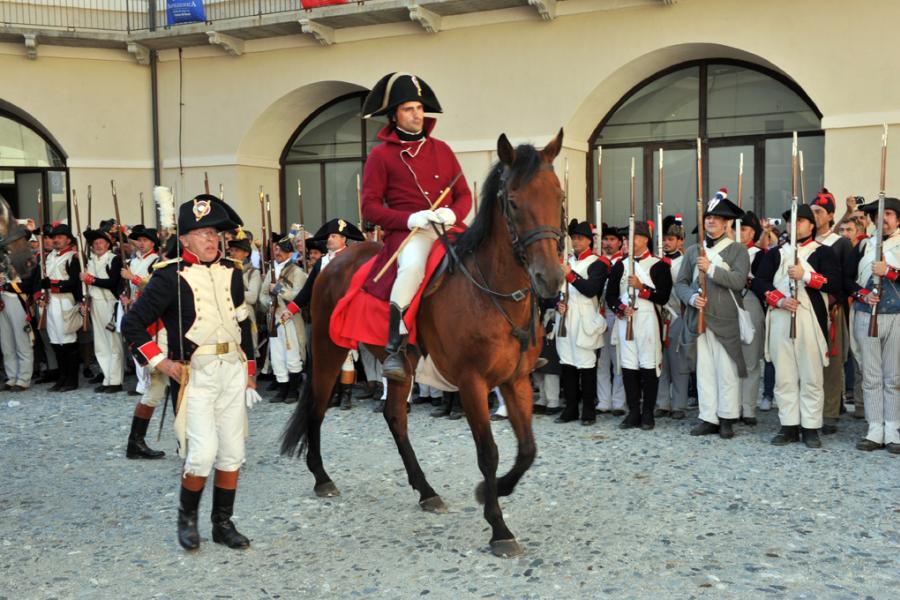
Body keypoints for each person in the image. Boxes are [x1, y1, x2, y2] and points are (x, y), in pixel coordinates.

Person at [121, 194, 259, 551]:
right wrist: (162, 363)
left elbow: (242, 322)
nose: (211, 240)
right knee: (201, 454)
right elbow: (134, 324)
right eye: (202, 233)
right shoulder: (168, 276)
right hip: (195, 373)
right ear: (184, 239)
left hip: (232, 370)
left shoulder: (233, 271)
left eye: (215, 233)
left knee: (231, 452)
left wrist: (251, 371)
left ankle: (222, 524)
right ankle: (187, 522)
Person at [359, 72, 472, 380]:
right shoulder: (380, 156)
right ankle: (396, 347)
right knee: (411, 268)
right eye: (409, 109)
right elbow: (369, 207)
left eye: (420, 108)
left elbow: (464, 195)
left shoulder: (443, 149)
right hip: (410, 233)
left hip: (447, 227)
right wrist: (409, 218)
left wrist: (452, 214)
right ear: (394, 116)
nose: (417, 114)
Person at [753, 204, 840, 448]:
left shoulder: (823, 253)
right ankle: (788, 425)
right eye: (791, 221)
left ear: (811, 225)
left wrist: (806, 275)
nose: (795, 225)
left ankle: (811, 426)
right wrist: (778, 299)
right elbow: (759, 282)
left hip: (810, 318)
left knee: (811, 375)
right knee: (785, 376)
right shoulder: (774, 254)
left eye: (800, 221)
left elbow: (834, 283)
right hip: (781, 316)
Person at [674, 189, 750, 440]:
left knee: (726, 370)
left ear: (727, 223)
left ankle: (727, 417)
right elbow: (682, 283)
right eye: (708, 216)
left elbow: (739, 281)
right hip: (700, 318)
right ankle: (708, 417)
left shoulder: (738, 250)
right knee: (704, 370)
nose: (711, 221)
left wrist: (712, 269)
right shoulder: (693, 250)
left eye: (717, 218)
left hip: (725, 319)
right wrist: (692, 298)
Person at [281, 218, 364, 409]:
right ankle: (333, 393)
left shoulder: (353, 260)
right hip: (325, 317)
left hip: (346, 315)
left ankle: (346, 396)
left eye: (334, 236)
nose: (330, 239)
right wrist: (291, 309)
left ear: (344, 239)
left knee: (347, 357)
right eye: (329, 236)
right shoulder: (322, 262)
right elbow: (308, 290)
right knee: (328, 357)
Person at [606, 220, 672, 430]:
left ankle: (648, 413)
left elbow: (663, 296)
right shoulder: (620, 265)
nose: (629, 241)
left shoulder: (659, 266)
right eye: (627, 238)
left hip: (648, 321)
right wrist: (619, 309)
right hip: (627, 320)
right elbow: (611, 296)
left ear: (645, 239)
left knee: (648, 366)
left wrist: (642, 288)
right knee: (628, 367)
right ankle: (633, 411)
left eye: (633, 237)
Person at [847, 197, 900, 453]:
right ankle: (874, 428)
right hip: (866, 314)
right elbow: (847, 281)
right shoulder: (863, 246)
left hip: (897, 316)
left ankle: (893, 428)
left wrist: (889, 271)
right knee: (870, 376)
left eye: (889, 214)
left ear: (897, 219)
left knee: (894, 377)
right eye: (880, 214)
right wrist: (862, 295)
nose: (884, 219)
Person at [809, 189, 855, 435]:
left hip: (831, 308)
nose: (814, 216)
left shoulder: (841, 243)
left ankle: (829, 413)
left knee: (832, 362)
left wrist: (832, 301)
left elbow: (847, 278)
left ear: (829, 216)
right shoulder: (803, 241)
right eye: (812, 211)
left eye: (818, 212)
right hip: (806, 308)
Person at [119, 224, 167, 459]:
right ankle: (135, 442)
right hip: (162, 334)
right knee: (155, 391)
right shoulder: (162, 271)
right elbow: (149, 289)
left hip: (179, 337)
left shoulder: (158, 263)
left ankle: (188, 442)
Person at [554, 220, 609, 426]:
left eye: (580, 238)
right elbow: (555, 289)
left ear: (589, 241)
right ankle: (570, 408)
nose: (576, 241)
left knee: (586, 366)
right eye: (574, 238)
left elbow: (590, 289)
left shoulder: (598, 263)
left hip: (586, 316)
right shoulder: (566, 261)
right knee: (567, 364)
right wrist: (558, 302)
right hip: (566, 317)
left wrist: (570, 274)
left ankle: (588, 410)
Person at [260, 231, 306, 403]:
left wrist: (278, 289)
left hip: (290, 318)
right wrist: (269, 304)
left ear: (290, 252)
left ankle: (293, 390)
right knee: (277, 356)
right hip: (274, 316)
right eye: (277, 249)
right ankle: (282, 388)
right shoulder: (272, 268)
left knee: (292, 354)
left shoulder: (297, 272)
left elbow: (297, 296)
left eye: (282, 250)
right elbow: (262, 295)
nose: (277, 252)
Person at [80, 226, 124, 393]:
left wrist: (90, 279)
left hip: (109, 303)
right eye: (95, 243)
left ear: (108, 244)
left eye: (101, 242)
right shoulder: (90, 262)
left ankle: (116, 380)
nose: (98, 245)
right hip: (95, 303)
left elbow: (112, 282)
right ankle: (107, 378)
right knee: (100, 344)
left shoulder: (114, 259)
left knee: (113, 344)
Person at [40, 223, 83, 392]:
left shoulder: (73, 257)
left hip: (65, 300)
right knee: (55, 340)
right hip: (51, 302)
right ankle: (62, 377)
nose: (56, 240)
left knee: (68, 340)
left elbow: (73, 282)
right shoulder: (50, 256)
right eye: (54, 237)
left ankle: (72, 380)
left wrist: (52, 284)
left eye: (59, 237)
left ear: (68, 240)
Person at [656, 215, 689, 420]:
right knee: (660, 362)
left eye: (671, 239)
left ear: (680, 241)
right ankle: (662, 402)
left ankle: (679, 405)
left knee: (678, 363)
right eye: (665, 239)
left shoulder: (685, 263)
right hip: (658, 314)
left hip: (678, 315)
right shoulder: (657, 262)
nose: (667, 243)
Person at [737, 211, 767, 425]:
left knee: (750, 360)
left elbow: (762, 281)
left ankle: (748, 407)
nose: (739, 233)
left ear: (753, 232)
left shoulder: (761, 254)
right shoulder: (727, 252)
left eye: (744, 229)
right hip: (728, 304)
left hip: (750, 303)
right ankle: (731, 405)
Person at [596, 224, 626, 415]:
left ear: (620, 243)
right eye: (605, 239)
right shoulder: (596, 262)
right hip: (598, 314)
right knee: (601, 360)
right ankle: (603, 400)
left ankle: (618, 401)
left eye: (612, 240)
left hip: (616, 314)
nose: (608, 243)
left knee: (619, 360)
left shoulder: (622, 263)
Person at [0, 228, 35, 391]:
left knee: (22, 341)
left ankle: (24, 378)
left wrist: (8, 286)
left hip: (18, 300)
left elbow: (28, 285)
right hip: (3, 300)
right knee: (6, 342)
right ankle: (11, 376)